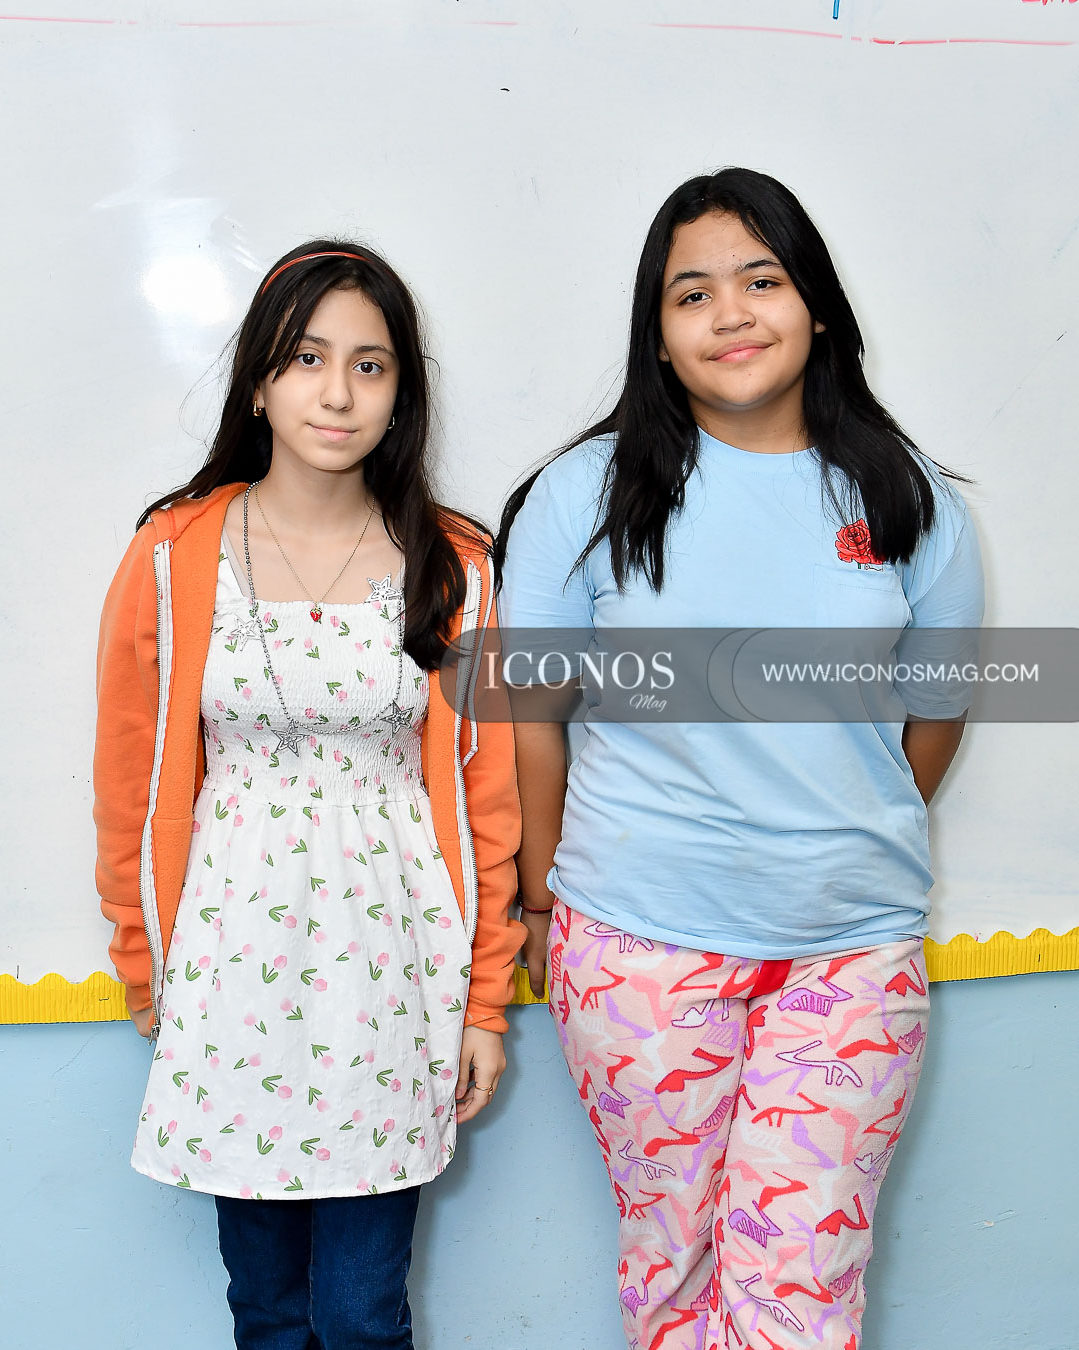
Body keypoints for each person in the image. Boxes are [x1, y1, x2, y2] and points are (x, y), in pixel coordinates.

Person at [497, 169, 983, 1350]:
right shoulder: (584, 494)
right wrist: (547, 894)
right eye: (692, 294)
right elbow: (531, 714)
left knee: (800, 1292)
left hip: (851, 951)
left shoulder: (910, 499)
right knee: (671, 1273)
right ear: (658, 335)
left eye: (761, 281)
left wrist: (836, 828)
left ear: (814, 302)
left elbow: (937, 710)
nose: (731, 314)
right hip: (637, 943)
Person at [94, 242, 523, 1350]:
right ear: (258, 382)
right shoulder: (172, 555)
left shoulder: (456, 565)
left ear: (402, 392)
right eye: (306, 358)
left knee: (361, 1313)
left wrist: (484, 1003)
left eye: (370, 365)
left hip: (393, 967)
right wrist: (144, 961)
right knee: (268, 1308)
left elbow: (487, 796)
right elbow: (131, 780)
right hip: (229, 967)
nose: (338, 392)